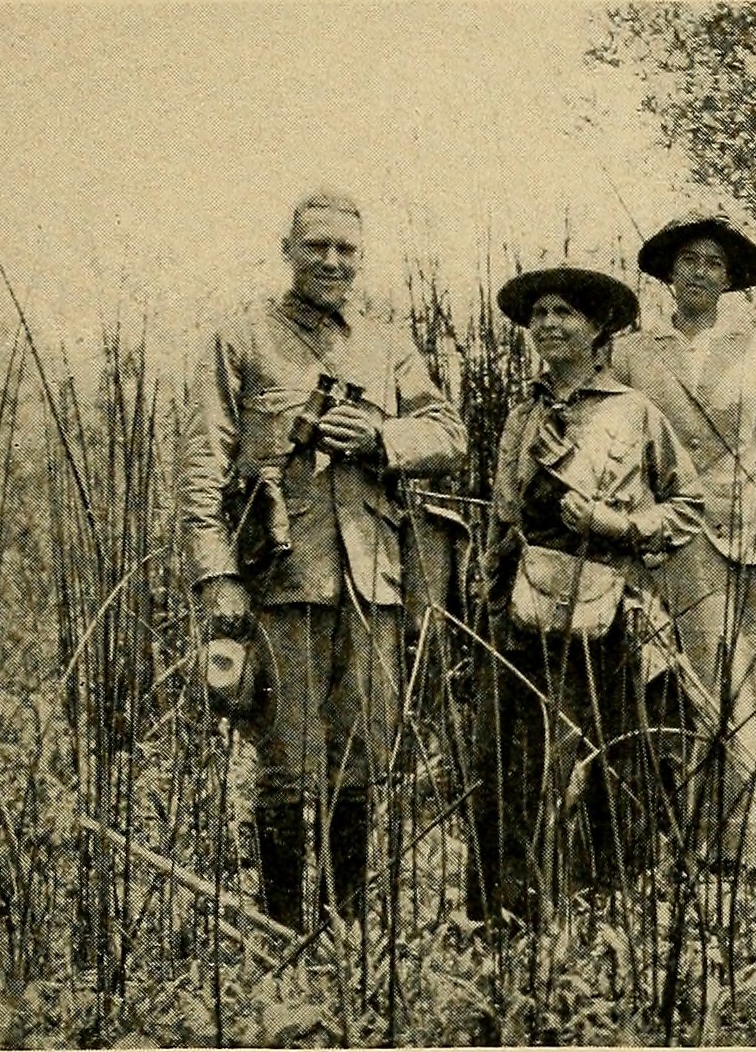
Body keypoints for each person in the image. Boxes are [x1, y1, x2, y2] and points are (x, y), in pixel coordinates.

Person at [183, 189, 468, 931]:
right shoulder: (242, 338)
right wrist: (217, 575)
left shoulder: (388, 341)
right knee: (285, 767)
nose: (333, 262)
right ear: (288, 250)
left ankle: (348, 932)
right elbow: (201, 466)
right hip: (281, 580)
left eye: (346, 249)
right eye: (317, 246)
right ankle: (283, 935)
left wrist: (380, 438)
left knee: (362, 762)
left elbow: (449, 435)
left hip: (375, 580)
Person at [472, 264, 705, 922]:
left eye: (564, 314)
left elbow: (687, 506)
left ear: (597, 327)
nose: (548, 325)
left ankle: (611, 912)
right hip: (524, 609)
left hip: (612, 613)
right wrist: (491, 609)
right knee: (515, 761)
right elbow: (502, 518)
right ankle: (511, 915)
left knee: (617, 761)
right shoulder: (523, 412)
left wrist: (621, 526)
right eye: (539, 314)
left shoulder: (634, 413)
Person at [611, 214, 756, 872]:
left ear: (730, 280)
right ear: (668, 271)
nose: (700, 272)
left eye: (714, 265)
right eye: (689, 260)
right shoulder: (633, 351)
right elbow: (615, 443)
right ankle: (685, 845)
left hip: (747, 539)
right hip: (666, 538)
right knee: (688, 687)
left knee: (750, 687)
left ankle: (749, 849)